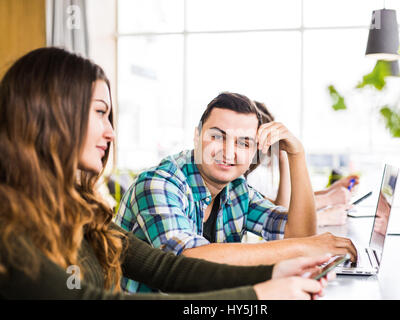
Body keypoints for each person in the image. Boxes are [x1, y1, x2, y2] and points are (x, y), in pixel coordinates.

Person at [0, 47, 334, 300]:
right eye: (100, 113)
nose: (111, 132)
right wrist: (257, 297)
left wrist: (277, 272)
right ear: (51, 117)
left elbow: (167, 269)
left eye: (244, 143)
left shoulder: (77, 208)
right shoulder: (10, 232)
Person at [115, 91, 357, 293]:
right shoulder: (159, 184)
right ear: (197, 135)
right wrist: (304, 248)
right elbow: (187, 260)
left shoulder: (237, 189)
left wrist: (296, 154)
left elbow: (299, 234)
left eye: (243, 142)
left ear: (254, 150)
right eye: (217, 137)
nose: (229, 152)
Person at [246, 101, 360, 227]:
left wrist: (329, 191)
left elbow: (284, 202)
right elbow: (281, 208)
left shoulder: (249, 179)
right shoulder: (248, 177)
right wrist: (327, 201)